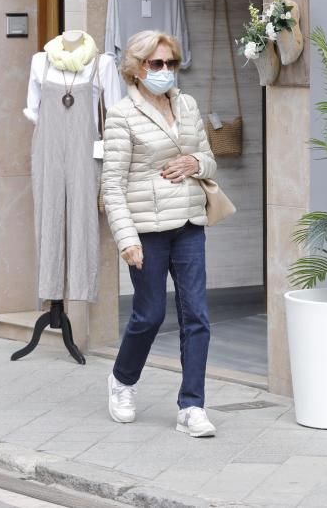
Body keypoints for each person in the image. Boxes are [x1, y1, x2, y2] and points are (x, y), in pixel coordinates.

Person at [101, 30, 218, 437]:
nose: (165, 71)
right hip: (147, 230)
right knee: (149, 315)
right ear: (136, 69)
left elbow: (209, 159)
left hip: (188, 222)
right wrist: (126, 239)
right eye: (157, 64)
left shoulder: (186, 104)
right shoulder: (121, 115)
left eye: (171, 63)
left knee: (197, 316)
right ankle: (122, 380)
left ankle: (192, 406)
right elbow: (111, 184)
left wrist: (194, 163)